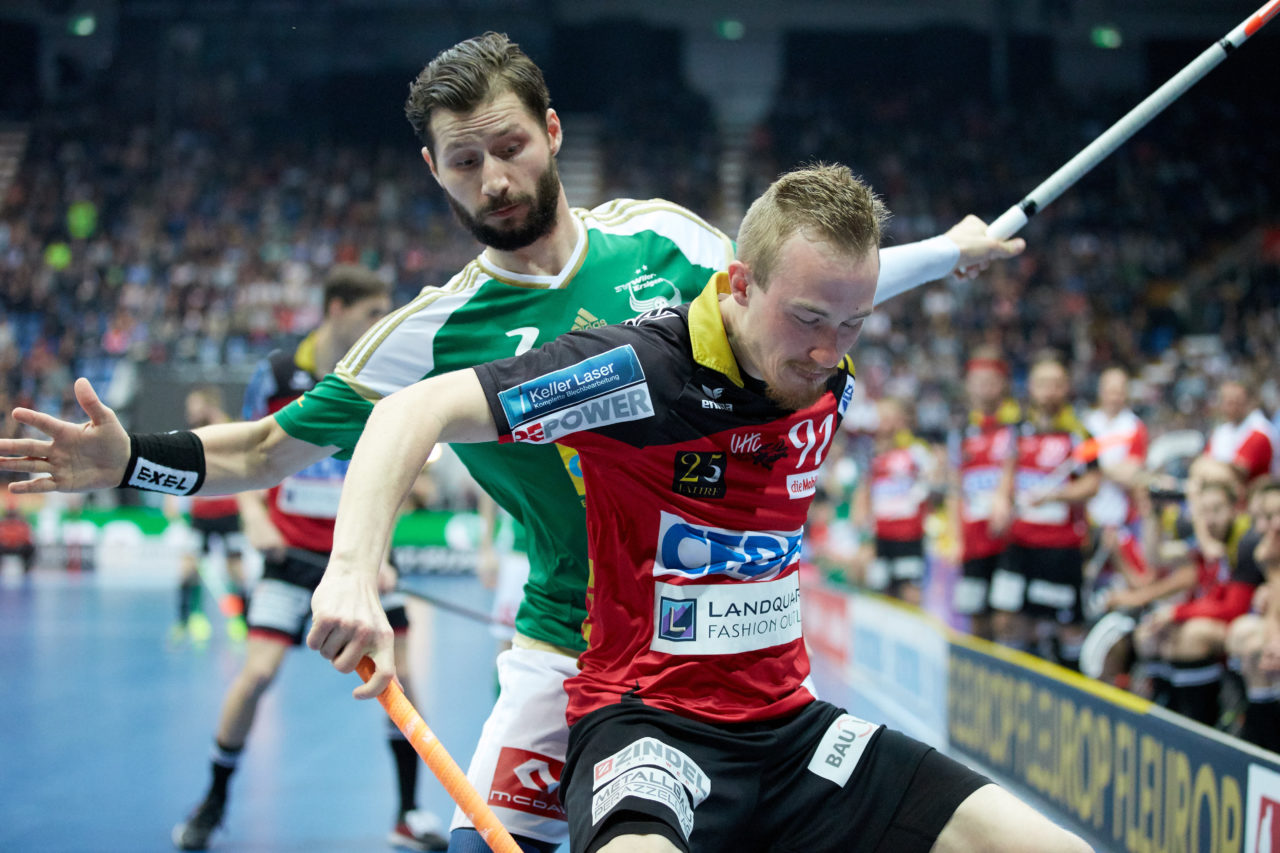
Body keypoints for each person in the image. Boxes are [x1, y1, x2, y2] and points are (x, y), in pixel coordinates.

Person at [0, 33, 1026, 853]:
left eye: (509, 146)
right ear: (433, 171)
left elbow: (793, 299)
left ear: (550, 131)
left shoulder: (666, 240)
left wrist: (947, 251)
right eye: (464, 161)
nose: (493, 177)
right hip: (569, 647)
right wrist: (130, 459)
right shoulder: (434, 333)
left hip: (716, 657)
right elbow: (264, 450)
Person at [306, 164, 1089, 853]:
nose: (829, 350)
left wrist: (952, 249)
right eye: (809, 319)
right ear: (739, 283)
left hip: (792, 730)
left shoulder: (818, 348)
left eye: (852, 322)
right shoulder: (638, 368)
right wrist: (350, 572)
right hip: (650, 726)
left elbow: (840, 292)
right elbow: (409, 411)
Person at [989, 354, 1101, 669]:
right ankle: (1014, 679)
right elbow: (1008, 473)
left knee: (1064, 625)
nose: (1049, 391)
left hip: (1059, 547)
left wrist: (1056, 495)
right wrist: (1001, 501)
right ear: (1031, 387)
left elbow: (1093, 483)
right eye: (1042, 384)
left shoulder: (1080, 433)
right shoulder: (1018, 430)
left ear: (1066, 388)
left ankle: (1069, 680)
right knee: (1007, 618)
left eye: (1056, 384)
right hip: (1019, 543)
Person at [166, 386, 249, 646]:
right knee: (187, 570)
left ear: (209, 405)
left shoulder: (231, 432)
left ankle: (243, 621)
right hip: (200, 515)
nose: (189, 412)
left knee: (237, 571)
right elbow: (178, 467)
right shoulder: (192, 435)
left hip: (229, 513)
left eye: (194, 405)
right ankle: (186, 621)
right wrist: (171, 499)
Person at [947, 348, 1019, 639]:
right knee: (976, 616)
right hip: (974, 539)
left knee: (1007, 616)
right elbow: (954, 489)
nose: (984, 387)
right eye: (978, 381)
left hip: (1010, 538)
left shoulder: (1017, 427)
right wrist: (955, 538)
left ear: (1003, 384)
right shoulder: (961, 432)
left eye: (991, 380)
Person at [853, 397, 938, 605]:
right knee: (882, 592)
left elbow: (934, 480)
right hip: (880, 535)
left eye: (889, 417)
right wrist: (863, 533)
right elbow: (864, 492)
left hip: (908, 534)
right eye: (880, 417)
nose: (883, 422)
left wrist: (921, 495)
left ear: (901, 420)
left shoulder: (915, 451)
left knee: (910, 591)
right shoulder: (870, 455)